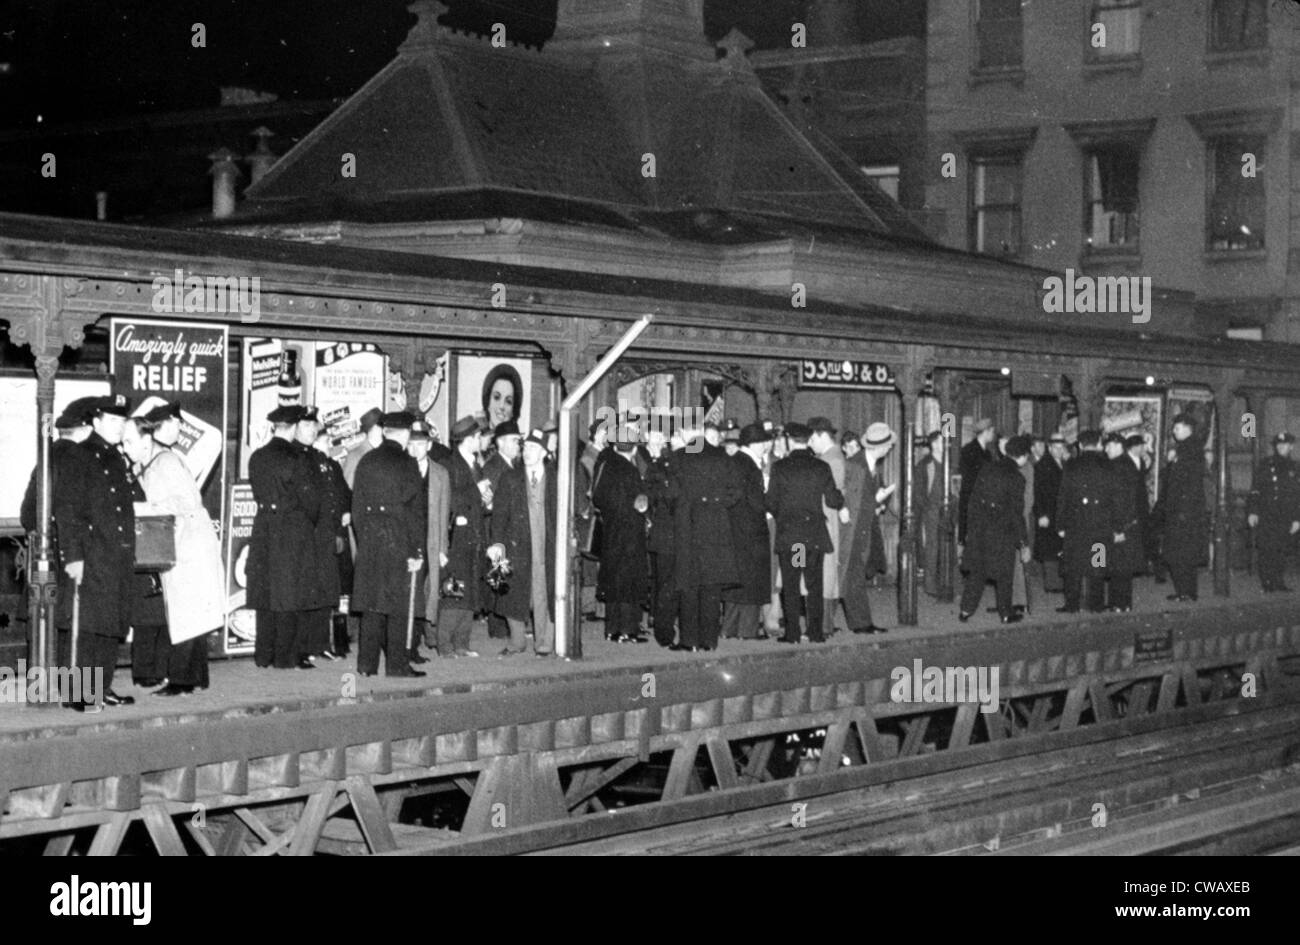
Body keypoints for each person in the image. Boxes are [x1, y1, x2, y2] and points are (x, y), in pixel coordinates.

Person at [121, 414, 222, 696]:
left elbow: (189, 501)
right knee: (189, 614)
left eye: (129, 441)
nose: (125, 447)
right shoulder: (149, 462)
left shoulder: (165, 462)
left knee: (187, 615)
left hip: (191, 547)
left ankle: (181, 682)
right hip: (181, 544)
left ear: (146, 439)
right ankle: (193, 678)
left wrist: (146, 508)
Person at [55, 394, 137, 710]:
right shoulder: (80, 455)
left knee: (108, 626)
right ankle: (74, 693)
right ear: (97, 421)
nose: (119, 427)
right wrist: (73, 556)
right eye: (113, 421)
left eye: (122, 421)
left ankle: (100, 688)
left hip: (115, 554)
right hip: (91, 554)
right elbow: (68, 509)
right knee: (87, 626)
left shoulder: (115, 457)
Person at [21, 396, 98, 675]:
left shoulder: (47, 455)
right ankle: (69, 682)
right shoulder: (81, 458)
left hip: (43, 553)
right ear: (86, 430)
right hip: (70, 551)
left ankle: (44, 677)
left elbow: (28, 513)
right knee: (71, 620)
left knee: (41, 617)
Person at [351, 412, 427, 678]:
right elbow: (416, 512)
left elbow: (357, 507)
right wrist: (416, 550)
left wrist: (366, 537)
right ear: (405, 434)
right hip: (398, 538)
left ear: (385, 432)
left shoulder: (366, 461)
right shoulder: (408, 463)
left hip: (371, 539)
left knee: (372, 604)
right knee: (398, 606)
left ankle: (365, 665)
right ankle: (396, 665)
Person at [247, 404, 320, 670]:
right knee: (289, 594)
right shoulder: (297, 457)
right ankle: (285, 657)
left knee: (265, 594)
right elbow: (311, 500)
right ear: (293, 427)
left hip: (264, 527)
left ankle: (263, 655)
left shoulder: (257, 457)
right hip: (292, 529)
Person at [766, 422, 844, 644]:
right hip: (814, 536)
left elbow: (771, 502)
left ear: (790, 441)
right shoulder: (821, 467)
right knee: (814, 585)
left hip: (792, 537)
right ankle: (815, 632)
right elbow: (833, 499)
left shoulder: (780, 467)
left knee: (791, 585)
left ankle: (792, 633)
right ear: (808, 440)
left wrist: (783, 515)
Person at [488, 429, 557, 657]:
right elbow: (498, 515)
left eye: (533, 448)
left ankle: (545, 642)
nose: (526, 452)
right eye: (525, 447)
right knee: (513, 593)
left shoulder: (555, 477)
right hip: (517, 545)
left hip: (546, 545)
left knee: (545, 593)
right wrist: (497, 544)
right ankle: (517, 641)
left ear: (545, 452)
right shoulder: (510, 477)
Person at [294, 407, 348, 664]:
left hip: (328, 536)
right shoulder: (309, 462)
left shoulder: (330, 465)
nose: (328, 444)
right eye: (324, 439)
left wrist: (338, 530)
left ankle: (322, 643)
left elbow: (339, 499)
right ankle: (306, 645)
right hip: (312, 538)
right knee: (311, 593)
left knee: (327, 593)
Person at [959, 434, 1031, 624]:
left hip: (981, 528)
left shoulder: (987, 468)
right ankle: (1006, 613)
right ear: (1022, 456)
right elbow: (1017, 514)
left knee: (978, 571)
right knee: (1004, 575)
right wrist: (1023, 543)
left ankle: (966, 610)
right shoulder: (1017, 478)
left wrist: (970, 529)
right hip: (1002, 531)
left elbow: (973, 501)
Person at [593, 421, 650, 644]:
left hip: (611, 531)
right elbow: (639, 501)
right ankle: (628, 629)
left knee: (614, 580)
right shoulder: (629, 469)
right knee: (629, 581)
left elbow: (598, 497)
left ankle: (612, 629)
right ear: (633, 446)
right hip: (631, 532)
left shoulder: (605, 462)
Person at [440, 415, 492, 657]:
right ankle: (445, 644)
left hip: (474, 535)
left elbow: (476, 500)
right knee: (454, 590)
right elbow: (450, 499)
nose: (480, 440)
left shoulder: (474, 464)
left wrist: (486, 501)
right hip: (457, 537)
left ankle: (462, 643)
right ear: (469, 439)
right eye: (478, 436)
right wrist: (476, 491)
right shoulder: (452, 465)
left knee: (469, 590)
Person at [1056, 430, 1124, 614]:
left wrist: (1060, 524)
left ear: (1080, 445)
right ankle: (1096, 604)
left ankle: (1072, 605)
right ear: (1099, 443)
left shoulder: (1071, 465)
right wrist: (1118, 526)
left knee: (1073, 565)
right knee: (1098, 565)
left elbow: (1063, 497)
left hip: (1076, 524)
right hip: (1100, 525)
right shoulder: (1108, 466)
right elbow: (1116, 498)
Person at [839, 423, 895, 634]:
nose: (889, 449)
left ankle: (861, 622)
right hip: (853, 532)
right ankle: (860, 623)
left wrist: (878, 504)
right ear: (879, 447)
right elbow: (852, 501)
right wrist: (876, 499)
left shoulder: (867, 465)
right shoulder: (857, 465)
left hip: (863, 530)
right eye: (888, 445)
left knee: (855, 577)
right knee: (852, 577)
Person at [721, 423, 772, 641]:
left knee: (736, 584)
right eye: (764, 443)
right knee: (753, 584)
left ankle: (729, 629)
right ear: (756, 444)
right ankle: (747, 632)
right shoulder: (750, 466)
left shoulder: (733, 461)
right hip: (752, 533)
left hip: (734, 532)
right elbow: (757, 502)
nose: (767, 446)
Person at [1155, 414, 1209, 602]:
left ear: (1187, 429)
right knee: (1180, 554)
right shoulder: (1185, 449)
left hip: (1183, 512)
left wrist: (1183, 511)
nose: (1174, 432)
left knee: (1181, 554)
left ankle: (1186, 592)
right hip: (1180, 510)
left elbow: (1188, 484)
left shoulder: (1190, 450)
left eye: (1177, 428)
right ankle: (1184, 591)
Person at [408, 420, 447, 662]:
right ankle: (409, 645)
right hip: (409, 542)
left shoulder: (441, 474)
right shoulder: (402, 469)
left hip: (430, 542)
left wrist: (443, 548)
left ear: (429, 445)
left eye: (420, 444)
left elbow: (444, 512)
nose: (415, 449)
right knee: (410, 593)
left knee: (427, 593)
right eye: (411, 444)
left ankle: (421, 639)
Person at [482, 421, 522, 641]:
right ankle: (497, 626)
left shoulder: (512, 464)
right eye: (515, 440)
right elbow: (488, 503)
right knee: (498, 575)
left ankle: (504, 623)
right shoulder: (493, 467)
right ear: (501, 443)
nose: (519, 444)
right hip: (496, 530)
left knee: (505, 575)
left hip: (508, 530)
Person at [1247, 432, 1300, 592]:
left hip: (1286, 515)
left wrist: (1297, 518)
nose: (1281, 447)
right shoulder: (1266, 464)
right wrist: (1253, 511)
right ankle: (1267, 582)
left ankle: (1278, 582)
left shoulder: (1295, 467)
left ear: (1291, 446)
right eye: (1279, 444)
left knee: (1281, 550)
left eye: (1285, 444)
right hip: (1267, 513)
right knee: (1266, 549)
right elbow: (1256, 489)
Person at [807, 416, 846, 636]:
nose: (810, 444)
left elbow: (829, 497)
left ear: (822, 435)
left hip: (824, 525)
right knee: (824, 574)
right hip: (825, 524)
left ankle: (822, 625)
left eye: (811, 438)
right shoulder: (831, 458)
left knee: (823, 574)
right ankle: (824, 624)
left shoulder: (831, 461)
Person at [643, 425, 679, 647]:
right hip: (668, 535)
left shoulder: (658, 468)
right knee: (666, 582)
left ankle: (662, 625)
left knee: (664, 581)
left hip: (662, 534)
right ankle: (663, 627)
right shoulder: (664, 469)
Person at [1108, 433, 1150, 612]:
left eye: (1108, 446)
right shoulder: (1130, 465)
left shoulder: (1117, 466)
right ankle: (1125, 604)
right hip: (1131, 523)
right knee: (1124, 567)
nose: (1106, 450)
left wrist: (1118, 528)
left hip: (1121, 524)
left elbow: (1119, 500)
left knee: (1115, 565)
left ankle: (1116, 603)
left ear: (1118, 446)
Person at [1033, 434, 1067, 593]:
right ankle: (1052, 583)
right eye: (1056, 448)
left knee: (1058, 546)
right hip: (1048, 512)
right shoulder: (1043, 466)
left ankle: (1058, 581)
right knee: (1049, 548)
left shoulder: (1064, 464)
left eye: (1062, 448)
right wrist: (1041, 514)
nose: (1060, 451)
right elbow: (1037, 492)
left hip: (1059, 512)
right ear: (1050, 448)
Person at [914, 430, 947, 598]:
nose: (945, 444)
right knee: (932, 547)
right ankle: (930, 585)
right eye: (942, 441)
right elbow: (918, 492)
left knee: (947, 546)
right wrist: (927, 508)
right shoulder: (925, 464)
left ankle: (945, 583)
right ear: (934, 444)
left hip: (947, 511)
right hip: (932, 511)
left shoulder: (948, 463)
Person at [958, 419, 996, 546]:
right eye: (992, 431)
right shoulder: (969, 450)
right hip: (972, 501)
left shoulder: (988, 453)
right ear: (985, 431)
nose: (993, 434)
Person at [342, 407, 385, 490]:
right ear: (375, 428)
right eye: (383, 426)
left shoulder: (383, 452)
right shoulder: (355, 457)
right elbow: (348, 491)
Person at [482, 363, 523, 430]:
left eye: (508, 401)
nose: (501, 406)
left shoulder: (520, 440)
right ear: (488, 403)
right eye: (496, 397)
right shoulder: (474, 440)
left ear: (513, 411)